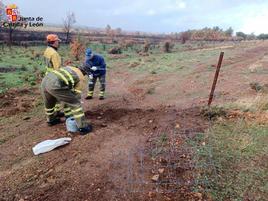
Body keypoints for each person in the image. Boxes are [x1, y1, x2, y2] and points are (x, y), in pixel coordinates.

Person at [40, 65, 92, 135]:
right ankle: (83, 127)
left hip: (45, 80)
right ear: (85, 73)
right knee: (75, 103)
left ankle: (51, 120)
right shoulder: (80, 77)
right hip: (55, 83)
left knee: (49, 103)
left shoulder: (70, 67)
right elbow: (76, 96)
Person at [43, 34, 72, 117]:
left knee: (52, 97)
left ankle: (55, 112)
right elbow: (58, 69)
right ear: (54, 42)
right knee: (58, 95)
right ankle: (57, 113)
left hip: (47, 76)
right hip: (54, 77)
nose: (58, 43)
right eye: (57, 41)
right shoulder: (54, 53)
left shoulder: (47, 50)